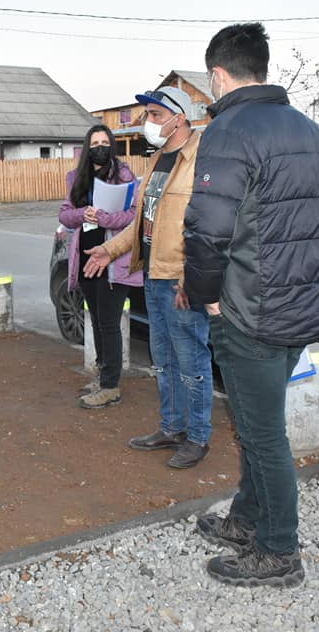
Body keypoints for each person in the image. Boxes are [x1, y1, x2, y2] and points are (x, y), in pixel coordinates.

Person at [183, 23, 319, 587]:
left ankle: (279, 551)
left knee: (262, 432)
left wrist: (205, 297)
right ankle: (248, 520)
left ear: (218, 75)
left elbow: (207, 229)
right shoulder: (310, 130)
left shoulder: (229, 131)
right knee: (255, 424)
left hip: (250, 308)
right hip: (300, 305)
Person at [83, 87, 213, 469]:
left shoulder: (200, 160)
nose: (148, 123)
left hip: (180, 279)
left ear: (179, 117)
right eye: (148, 115)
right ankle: (172, 427)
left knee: (192, 359)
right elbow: (143, 225)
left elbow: (208, 227)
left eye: (155, 115)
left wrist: (194, 276)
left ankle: (199, 436)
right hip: (154, 275)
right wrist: (110, 249)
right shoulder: (157, 160)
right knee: (164, 358)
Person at [59, 125, 142, 409]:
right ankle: (102, 375)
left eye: (105, 142)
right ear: (87, 147)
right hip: (85, 259)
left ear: (112, 145)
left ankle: (110, 386)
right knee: (95, 321)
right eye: (95, 142)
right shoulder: (76, 177)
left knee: (109, 324)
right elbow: (65, 214)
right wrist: (85, 213)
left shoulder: (124, 176)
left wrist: (104, 218)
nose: (100, 146)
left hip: (112, 261)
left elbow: (133, 216)